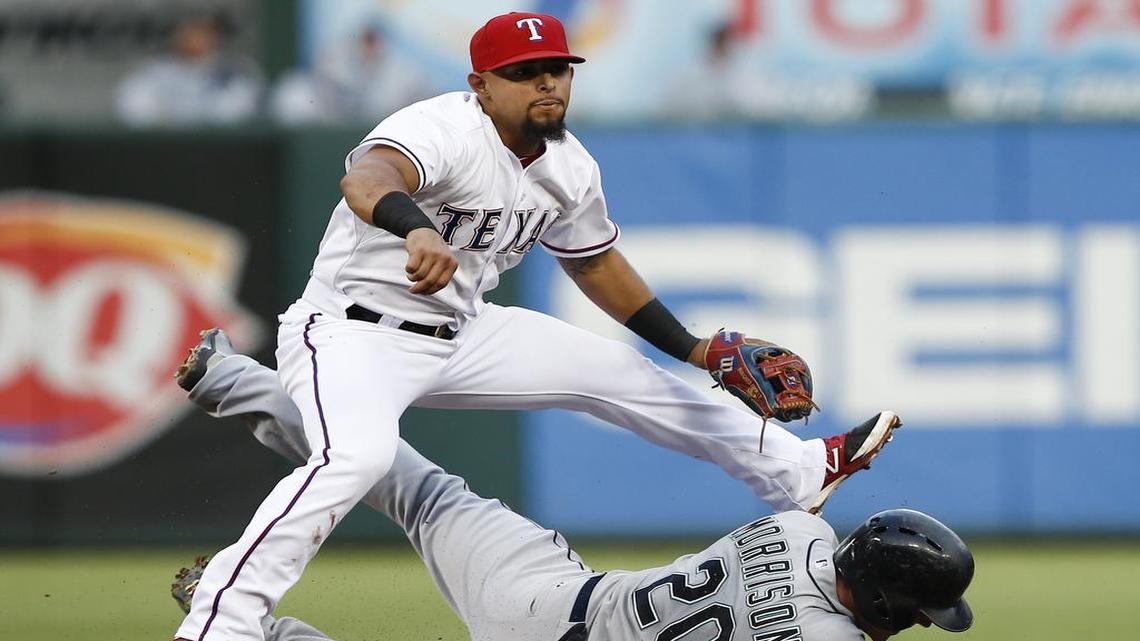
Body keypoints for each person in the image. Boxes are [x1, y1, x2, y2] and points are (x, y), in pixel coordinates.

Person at [173, 12, 900, 641]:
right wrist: (416, 228)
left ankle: (798, 469)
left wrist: (695, 347)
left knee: (619, 373)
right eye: (524, 72)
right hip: (352, 331)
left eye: (557, 69)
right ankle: (221, 619)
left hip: (463, 330)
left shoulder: (568, 167)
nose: (547, 83)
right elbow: (367, 178)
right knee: (355, 458)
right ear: (482, 84)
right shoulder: (443, 127)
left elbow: (596, 264)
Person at [171, 340, 973, 641]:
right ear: (883, 597)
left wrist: (818, 456)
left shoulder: (799, 534)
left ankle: (229, 377)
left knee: (415, 485)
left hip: (549, 594)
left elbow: (804, 512)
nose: (914, 625)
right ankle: (258, 630)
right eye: (915, 613)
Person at [116, 12, 262, 127]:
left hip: (219, 149)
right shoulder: (156, 71)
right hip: (166, 147)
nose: (196, 37)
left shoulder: (234, 71)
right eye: (190, 30)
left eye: (204, 31)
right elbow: (134, 106)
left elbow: (236, 113)